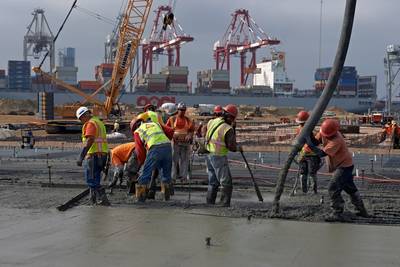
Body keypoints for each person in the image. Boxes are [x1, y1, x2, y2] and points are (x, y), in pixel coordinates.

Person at [306, 119, 368, 221]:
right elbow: (316, 141)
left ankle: (337, 212)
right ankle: (362, 211)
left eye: (327, 135)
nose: (325, 136)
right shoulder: (324, 132)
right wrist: (308, 135)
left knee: (332, 188)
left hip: (344, 166)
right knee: (350, 189)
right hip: (343, 165)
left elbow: (322, 153)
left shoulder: (337, 139)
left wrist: (309, 144)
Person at [204, 104, 242, 207]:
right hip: (218, 156)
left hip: (208, 154)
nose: (233, 121)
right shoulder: (227, 128)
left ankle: (210, 202)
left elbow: (204, 130)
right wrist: (239, 147)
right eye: (233, 118)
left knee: (213, 182)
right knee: (226, 182)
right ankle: (224, 203)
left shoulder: (212, 121)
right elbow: (232, 147)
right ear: (230, 117)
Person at [131, 116, 174, 202]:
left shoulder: (137, 131)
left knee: (145, 174)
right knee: (166, 175)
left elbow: (140, 151)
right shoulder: (156, 124)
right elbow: (170, 131)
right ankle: (166, 198)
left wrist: (142, 163)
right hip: (168, 146)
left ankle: (140, 198)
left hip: (155, 148)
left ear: (135, 127)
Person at [76, 107, 110, 205]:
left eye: (80, 119)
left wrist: (81, 157)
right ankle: (94, 200)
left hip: (94, 156)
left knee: (91, 180)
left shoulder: (91, 123)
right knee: (96, 178)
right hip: (102, 155)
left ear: (84, 115)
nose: (81, 121)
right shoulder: (99, 122)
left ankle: (103, 199)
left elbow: (90, 140)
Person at [166, 102, 195, 182]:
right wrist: (172, 135)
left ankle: (183, 177)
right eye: (180, 110)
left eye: (183, 110)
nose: (182, 111)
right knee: (174, 160)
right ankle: (173, 177)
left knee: (184, 160)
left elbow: (191, 130)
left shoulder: (188, 120)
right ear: (177, 110)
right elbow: (166, 129)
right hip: (175, 143)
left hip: (185, 143)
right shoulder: (172, 119)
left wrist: (189, 135)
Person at [295, 111, 321, 194]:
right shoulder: (308, 130)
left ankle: (304, 190)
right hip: (311, 155)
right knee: (312, 173)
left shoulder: (298, 129)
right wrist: (320, 137)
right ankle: (313, 191)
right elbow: (313, 142)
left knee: (303, 172)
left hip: (302, 154)